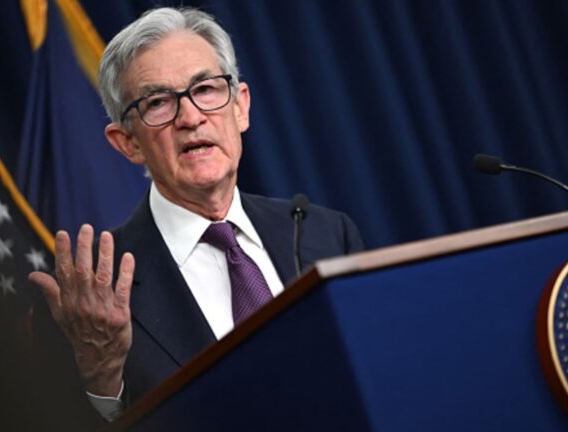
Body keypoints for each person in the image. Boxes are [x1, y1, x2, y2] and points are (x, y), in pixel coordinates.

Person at [28, 6, 364, 428]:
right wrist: (102, 377)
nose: (190, 117)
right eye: (157, 102)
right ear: (128, 143)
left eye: (204, 89)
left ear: (240, 107)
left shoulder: (325, 233)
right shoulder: (88, 292)